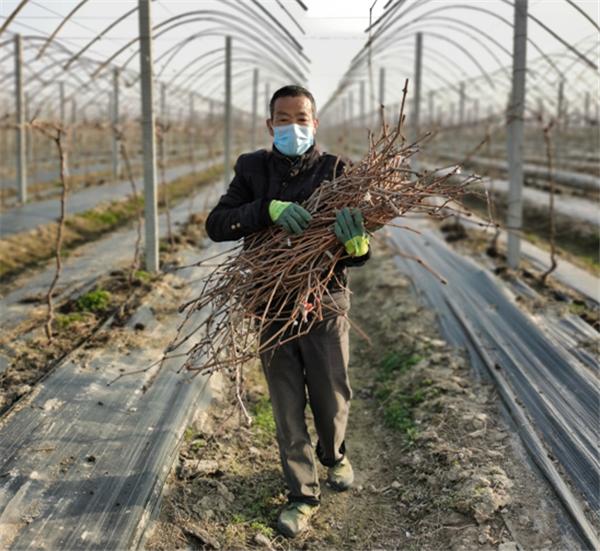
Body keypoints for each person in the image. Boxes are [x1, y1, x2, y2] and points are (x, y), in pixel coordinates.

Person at [205, 85, 370, 538]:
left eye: (301, 118)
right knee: (286, 406)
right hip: (272, 305)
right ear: (269, 124)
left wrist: (358, 247)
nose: (292, 126)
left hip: (325, 303)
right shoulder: (252, 169)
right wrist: (267, 209)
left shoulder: (337, 171)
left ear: (315, 124)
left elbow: (355, 242)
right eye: (283, 118)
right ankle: (302, 494)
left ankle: (334, 454)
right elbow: (217, 224)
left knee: (331, 397)